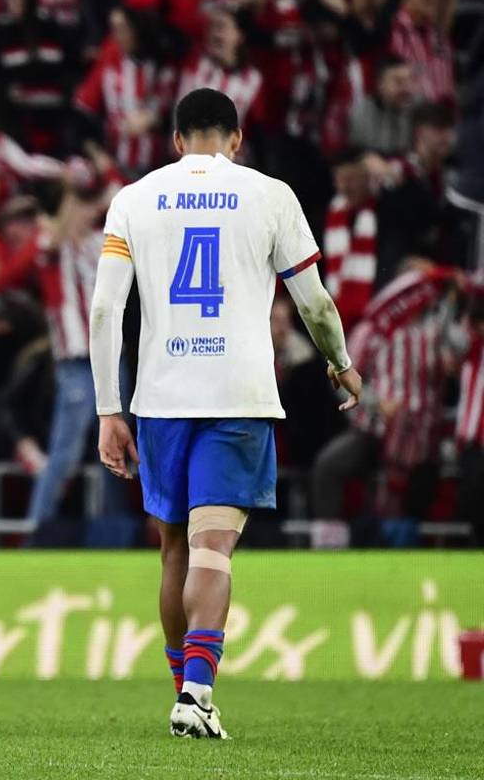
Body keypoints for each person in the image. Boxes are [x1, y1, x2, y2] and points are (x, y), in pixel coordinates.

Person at [89, 88, 362, 739]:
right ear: (236, 139)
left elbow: (104, 312)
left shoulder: (134, 198)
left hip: (160, 399)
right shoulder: (270, 194)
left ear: (177, 141)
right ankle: (197, 691)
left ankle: (183, 689)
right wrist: (339, 361)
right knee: (215, 546)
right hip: (237, 394)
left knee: (175, 549)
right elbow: (315, 303)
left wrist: (109, 408)